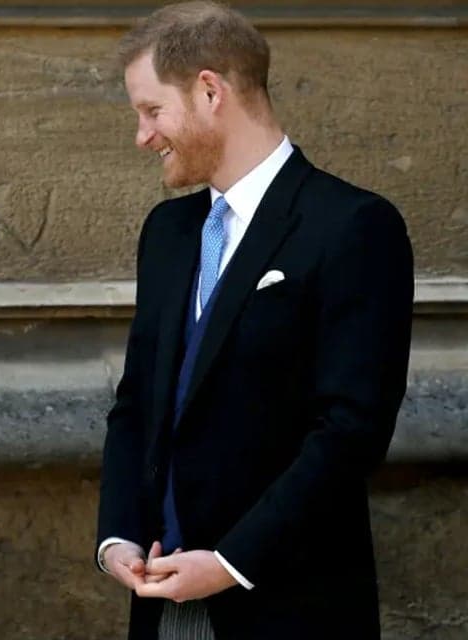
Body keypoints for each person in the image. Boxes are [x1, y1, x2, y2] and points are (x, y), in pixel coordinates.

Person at [95, 2, 413, 639]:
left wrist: (230, 563)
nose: (143, 136)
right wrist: (117, 536)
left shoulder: (352, 226)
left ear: (210, 90)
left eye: (152, 111)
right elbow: (138, 405)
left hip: (290, 606)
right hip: (162, 608)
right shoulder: (168, 233)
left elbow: (351, 430)